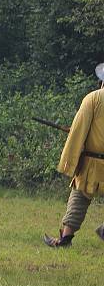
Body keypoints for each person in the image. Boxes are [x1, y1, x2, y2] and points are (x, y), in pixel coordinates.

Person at [43, 63, 104, 247]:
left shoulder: (93, 99)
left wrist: (70, 162)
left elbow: (78, 131)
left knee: (79, 197)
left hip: (92, 164)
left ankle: (65, 238)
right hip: (94, 160)